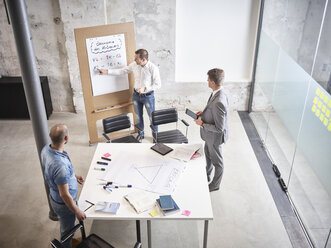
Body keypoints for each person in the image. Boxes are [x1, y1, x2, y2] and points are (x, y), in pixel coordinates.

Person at [98, 49, 161, 141]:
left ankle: (155, 135)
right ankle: (140, 134)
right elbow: (122, 71)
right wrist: (106, 71)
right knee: (138, 116)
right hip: (136, 96)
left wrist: (145, 88)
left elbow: (158, 84)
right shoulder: (134, 65)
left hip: (148, 96)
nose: (134, 59)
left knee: (152, 117)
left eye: (136, 58)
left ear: (143, 59)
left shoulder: (153, 68)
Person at [41, 124, 86, 248]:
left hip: (54, 196)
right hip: (64, 204)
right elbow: (64, 194)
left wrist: (73, 176)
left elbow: (56, 174)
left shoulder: (46, 149)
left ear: (50, 136)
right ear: (66, 138)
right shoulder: (60, 167)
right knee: (67, 232)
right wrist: (76, 210)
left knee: (66, 226)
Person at [194, 68, 230, 192]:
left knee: (217, 162)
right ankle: (206, 174)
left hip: (214, 137)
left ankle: (215, 185)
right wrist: (203, 113)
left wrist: (202, 123)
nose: (207, 81)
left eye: (208, 79)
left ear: (213, 82)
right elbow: (213, 110)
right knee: (208, 156)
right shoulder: (219, 92)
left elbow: (220, 127)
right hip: (209, 136)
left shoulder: (219, 101)